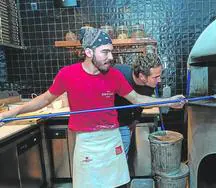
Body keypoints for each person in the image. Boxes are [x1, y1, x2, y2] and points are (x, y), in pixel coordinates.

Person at [0, 27, 185, 188]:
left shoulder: (114, 76)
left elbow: (137, 99)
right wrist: (14, 111)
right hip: (86, 142)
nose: (110, 57)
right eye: (105, 52)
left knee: (119, 184)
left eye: (111, 52)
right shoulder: (68, 74)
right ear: (89, 52)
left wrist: (167, 101)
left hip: (112, 139)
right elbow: (45, 99)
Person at [114, 53, 163, 157]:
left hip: (123, 124)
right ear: (142, 76)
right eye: (156, 77)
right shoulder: (119, 73)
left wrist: (136, 119)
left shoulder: (149, 85)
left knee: (121, 159)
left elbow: (141, 103)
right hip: (105, 125)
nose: (159, 80)